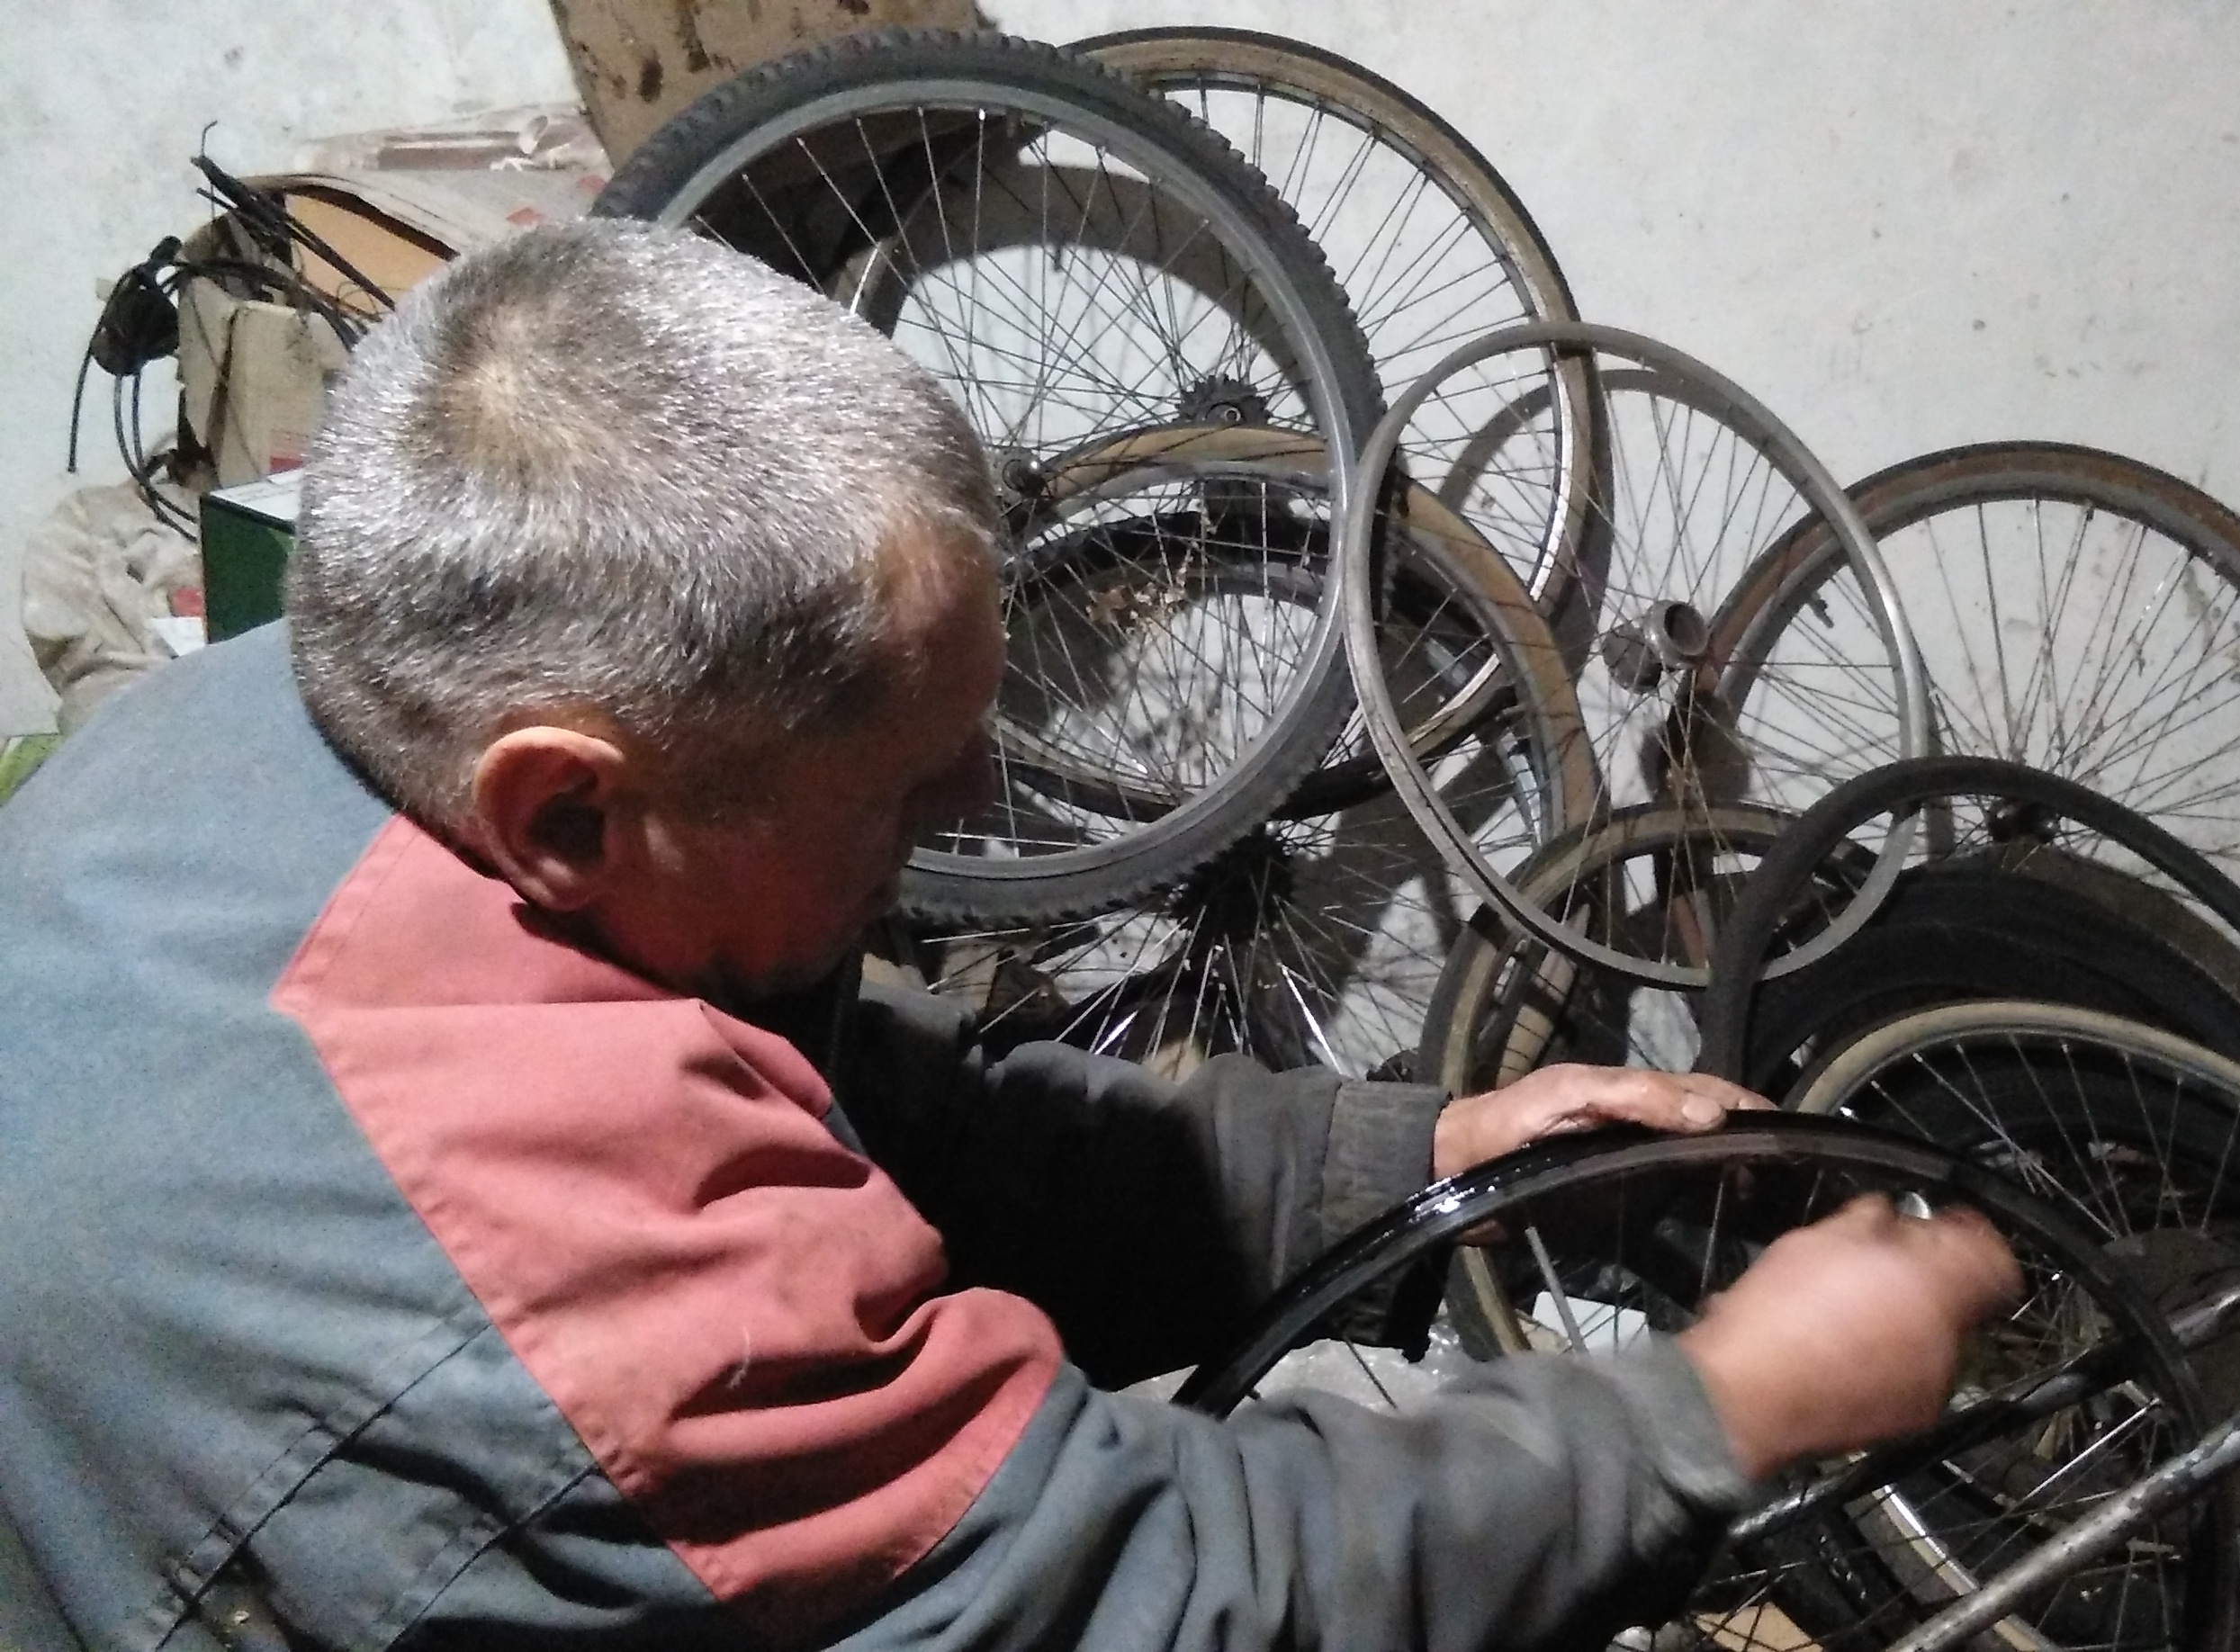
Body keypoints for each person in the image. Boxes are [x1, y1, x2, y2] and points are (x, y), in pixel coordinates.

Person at [0, 220, 2022, 1651]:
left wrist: (1408, 1163)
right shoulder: (566, 1296)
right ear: (570, 805)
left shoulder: (300, 709)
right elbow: (1156, 1596)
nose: (975, 814)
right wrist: (1718, 1410)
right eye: (903, 782)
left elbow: (844, 1106)